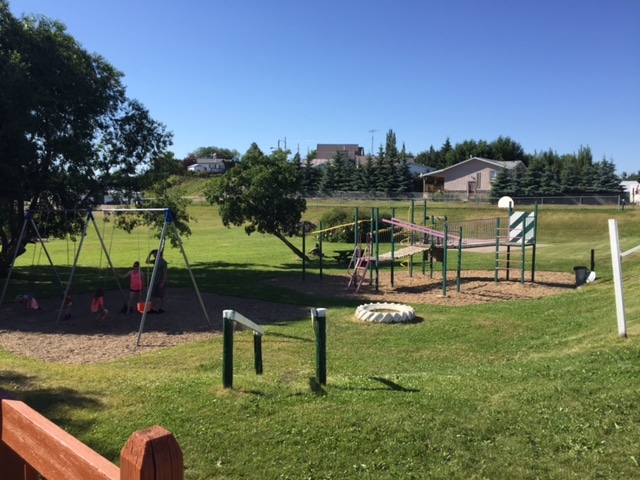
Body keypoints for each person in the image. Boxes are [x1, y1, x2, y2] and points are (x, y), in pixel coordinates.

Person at [145, 249, 167, 314]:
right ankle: (153, 308)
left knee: (161, 296)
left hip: (160, 282)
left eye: (154, 254)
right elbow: (147, 261)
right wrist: (149, 254)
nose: (153, 255)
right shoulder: (155, 261)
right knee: (153, 296)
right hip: (154, 282)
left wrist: (163, 282)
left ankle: (162, 308)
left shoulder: (163, 262)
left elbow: (165, 273)